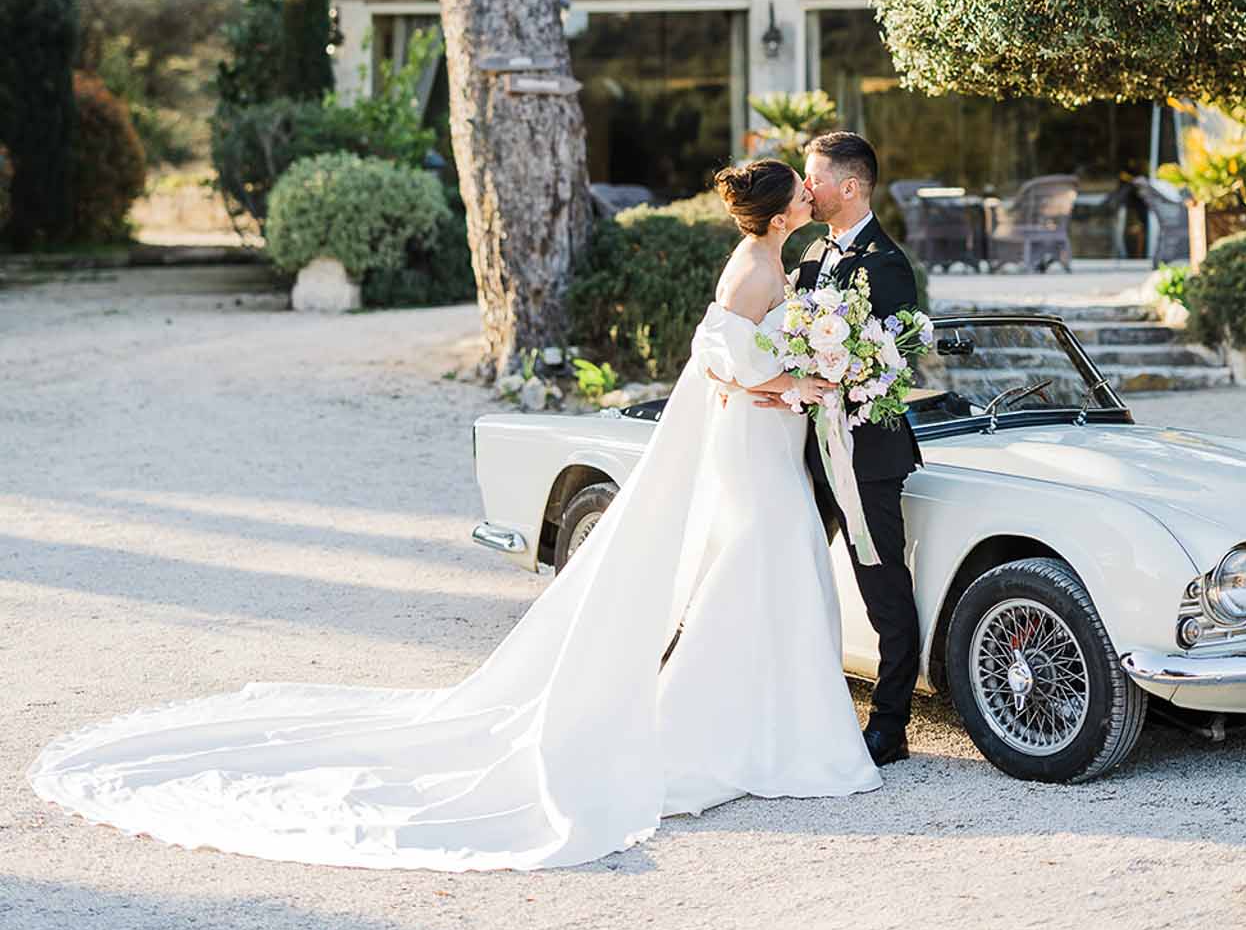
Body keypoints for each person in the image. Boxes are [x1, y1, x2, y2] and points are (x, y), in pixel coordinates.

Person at [29, 159, 879, 874]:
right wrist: (792, 380)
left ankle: (777, 726)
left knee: (773, 563)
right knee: (765, 559)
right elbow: (723, 356)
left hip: (765, 442)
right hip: (755, 445)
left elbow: (723, 359)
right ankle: (737, 731)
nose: (813, 194)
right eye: (802, 192)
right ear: (778, 214)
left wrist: (790, 374)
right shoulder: (757, 270)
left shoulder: (775, 266)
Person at [788, 131, 923, 768]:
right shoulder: (813, 250)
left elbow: (889, 367)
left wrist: (842, 371)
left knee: (882, 589)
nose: (804, 187)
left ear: (849, 186)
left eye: (813, 178)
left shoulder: (887, 264)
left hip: (865, 454)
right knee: (795, 576)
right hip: (808, 449)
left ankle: (890, 725)